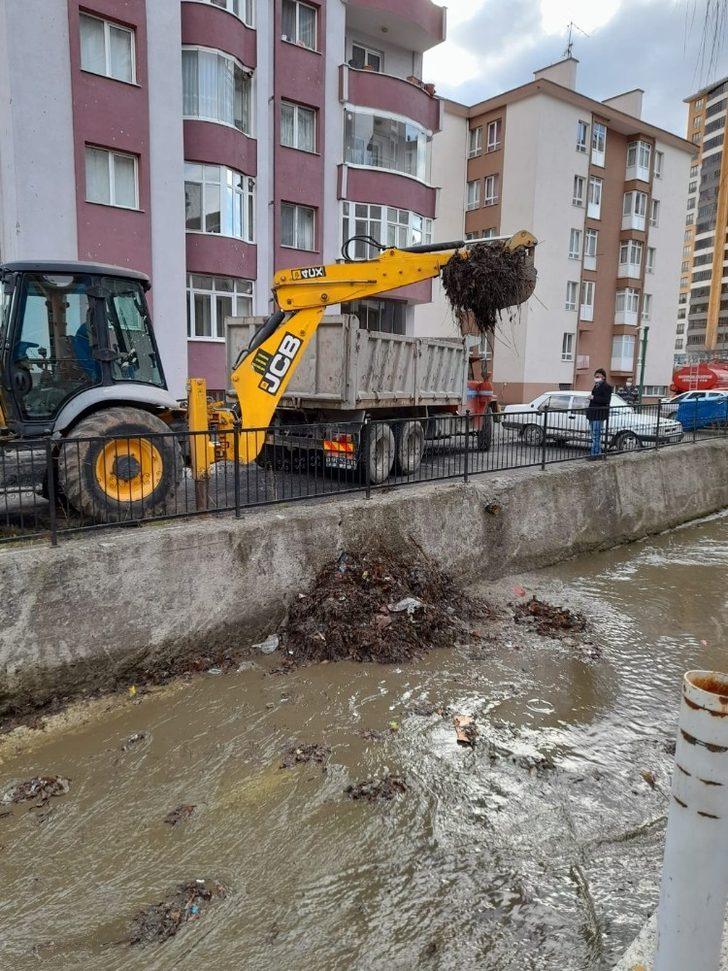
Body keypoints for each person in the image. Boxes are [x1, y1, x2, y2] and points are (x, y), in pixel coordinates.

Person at [585, 368, 612, 460]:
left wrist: (593, 398)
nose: (596, 377)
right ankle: (599, 453)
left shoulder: (606, 387)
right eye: (595, 376)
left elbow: (606, 400)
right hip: (593, 413)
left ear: (603, 377)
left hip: (599, 414)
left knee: (596, 435)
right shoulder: (596, 386)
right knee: (594, 435)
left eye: (598, 376)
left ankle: (594, 455)